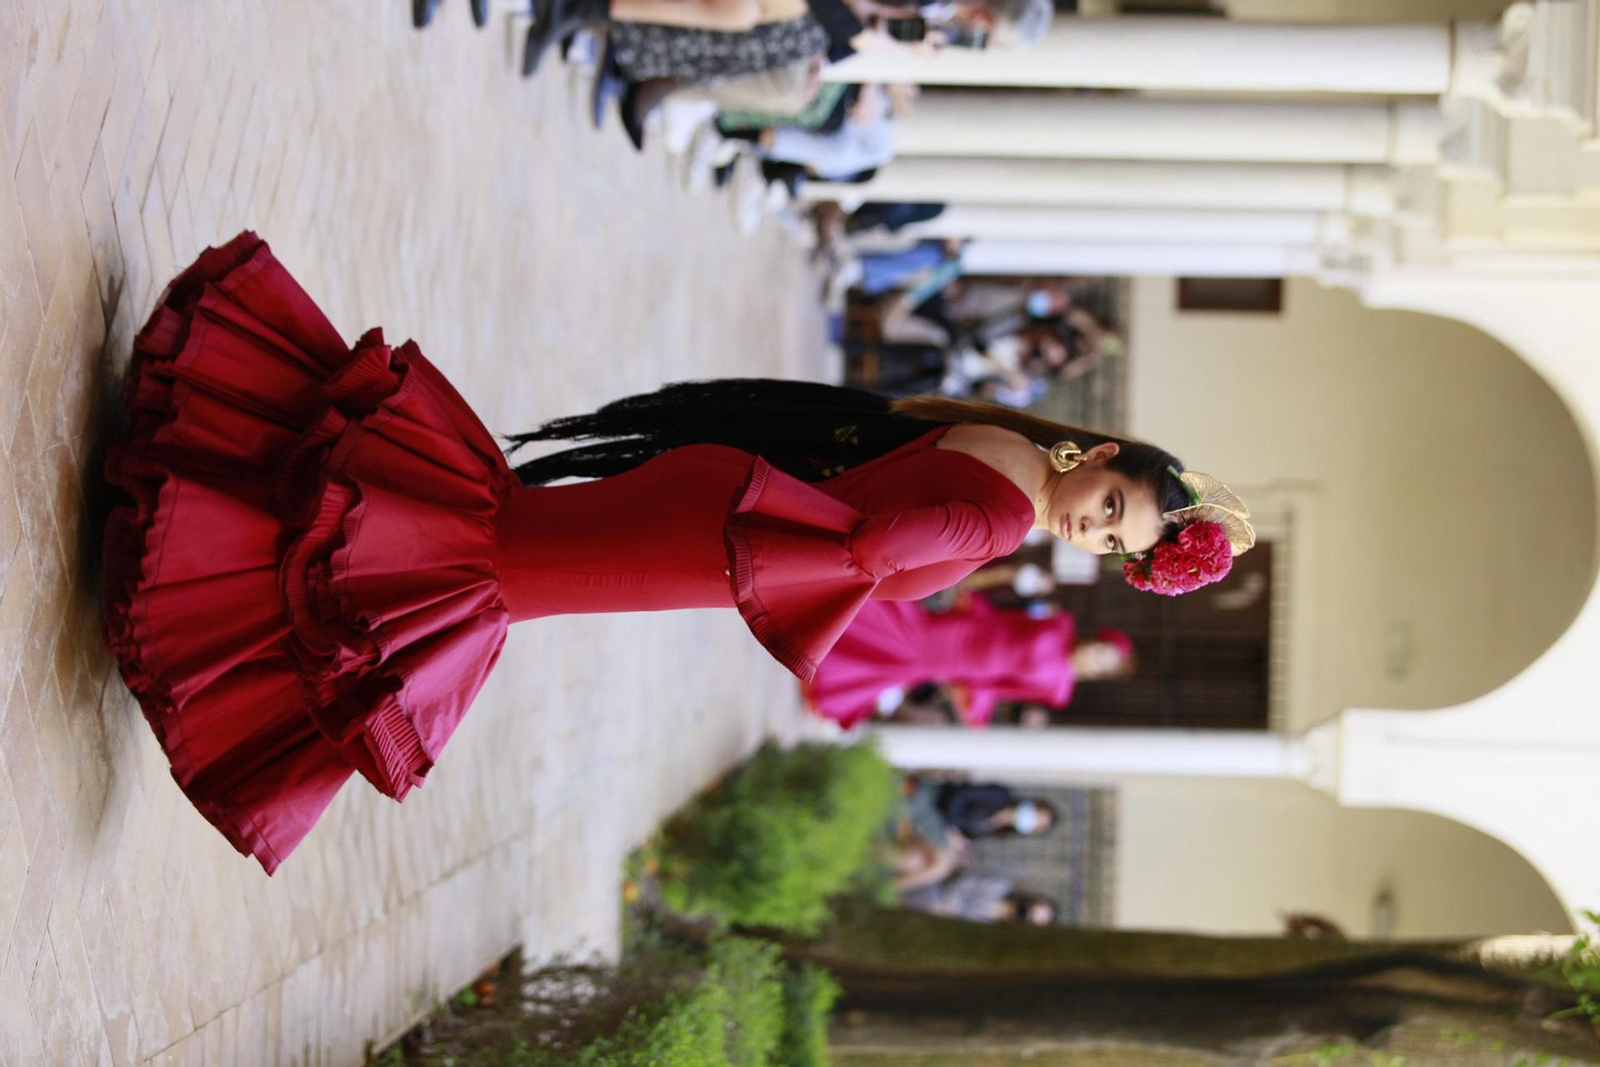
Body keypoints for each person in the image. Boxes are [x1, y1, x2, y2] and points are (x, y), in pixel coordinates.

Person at [101, 233, 1253, 873]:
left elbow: (877, 492)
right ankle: (189, 558)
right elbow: (874, 540)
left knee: (489, 550)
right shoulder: (999, 520)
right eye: (1110, 502)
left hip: (712, 511)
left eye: (1112, 539)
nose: (1092, 528)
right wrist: (834, 609)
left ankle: (210, 492)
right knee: (484, 566)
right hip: (710, 543)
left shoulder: (1005, 444)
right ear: (1098, 452)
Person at [805, 594, 1135, 728]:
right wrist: (972, 608)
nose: (1095, 658)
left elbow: (1005, 690)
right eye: (1101, 650)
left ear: (1099, 673)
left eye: (1102, 664)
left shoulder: (1058, 690)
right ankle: (833, 612)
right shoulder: (1061, 624)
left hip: (974, 666)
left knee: (907, 663)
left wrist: (973, 695)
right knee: (908, 633)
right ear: (1097, 640)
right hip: (971, 632)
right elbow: (1010, 619)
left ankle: (832, 665)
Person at [901, 873, 1057, 925]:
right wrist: (949, 903)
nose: (1030, 914)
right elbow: (964, 881)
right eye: (1035, 909)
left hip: (943, 922)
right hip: (941, 895)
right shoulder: (1000, 884)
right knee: (934, 904)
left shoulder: (993, 928)